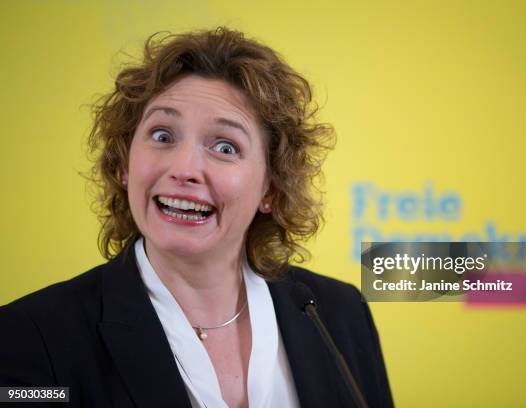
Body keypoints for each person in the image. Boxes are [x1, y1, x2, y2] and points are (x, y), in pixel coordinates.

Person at [0, 27, 393, 408]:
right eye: (162, 136)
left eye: (225, 146)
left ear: (270, 189)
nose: (184, 168)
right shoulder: (31, 336)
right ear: (124, 164)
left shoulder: (340, 315)